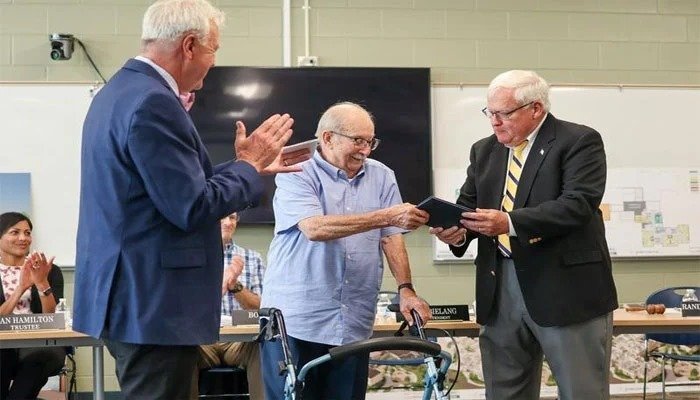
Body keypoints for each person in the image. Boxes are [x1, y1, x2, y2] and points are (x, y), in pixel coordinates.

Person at [71, 1, 300, 398]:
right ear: (190, 45)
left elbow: (172, 189)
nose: (212, 63)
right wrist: (248, 164)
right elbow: (190, 207)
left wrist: (250, 167)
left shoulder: (118, 92)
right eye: (214, 50)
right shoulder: (155, 102)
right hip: (153, 301)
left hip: (132, 295)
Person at [430, 70, 618, 400]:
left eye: (504, 113)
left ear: (536, 109)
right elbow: (468, 207)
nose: (495, 122)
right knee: (504, 393)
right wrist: (455, 233)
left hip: (565, 290)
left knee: (581, 392)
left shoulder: (578, 141)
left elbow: (578, 204)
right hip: (499, 287)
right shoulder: (484, 151)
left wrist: (510, 223)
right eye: (490, 113)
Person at [259, 101, 432, 400]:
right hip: (296, 321)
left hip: (353, 323)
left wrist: (406, 288)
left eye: (370, 141)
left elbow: (390, 237)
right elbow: (315, 228)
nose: (365, 150)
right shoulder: (295, 171)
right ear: (328, 138)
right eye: (358, 141)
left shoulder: (382, 175)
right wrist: (387, 215)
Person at [192, 212, 265, 399]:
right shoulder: (193, 258)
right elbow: (185, 307)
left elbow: (260, 310)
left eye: (232, 217)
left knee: (263, 345)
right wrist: (218, 284)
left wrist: (235, 286)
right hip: (202, 340)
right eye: (222, 217)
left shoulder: (252, 258)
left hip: (239, 341)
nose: (228, 223)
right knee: (181, 350)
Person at [0, 212, 66, 400]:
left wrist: (42, 283)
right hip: (3, 343)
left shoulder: (48, 270)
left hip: (40, 343)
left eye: (27, 233)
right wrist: (20, 288)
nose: (23, 238)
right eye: (14, 232)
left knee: (42, 356)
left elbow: (51, 317)